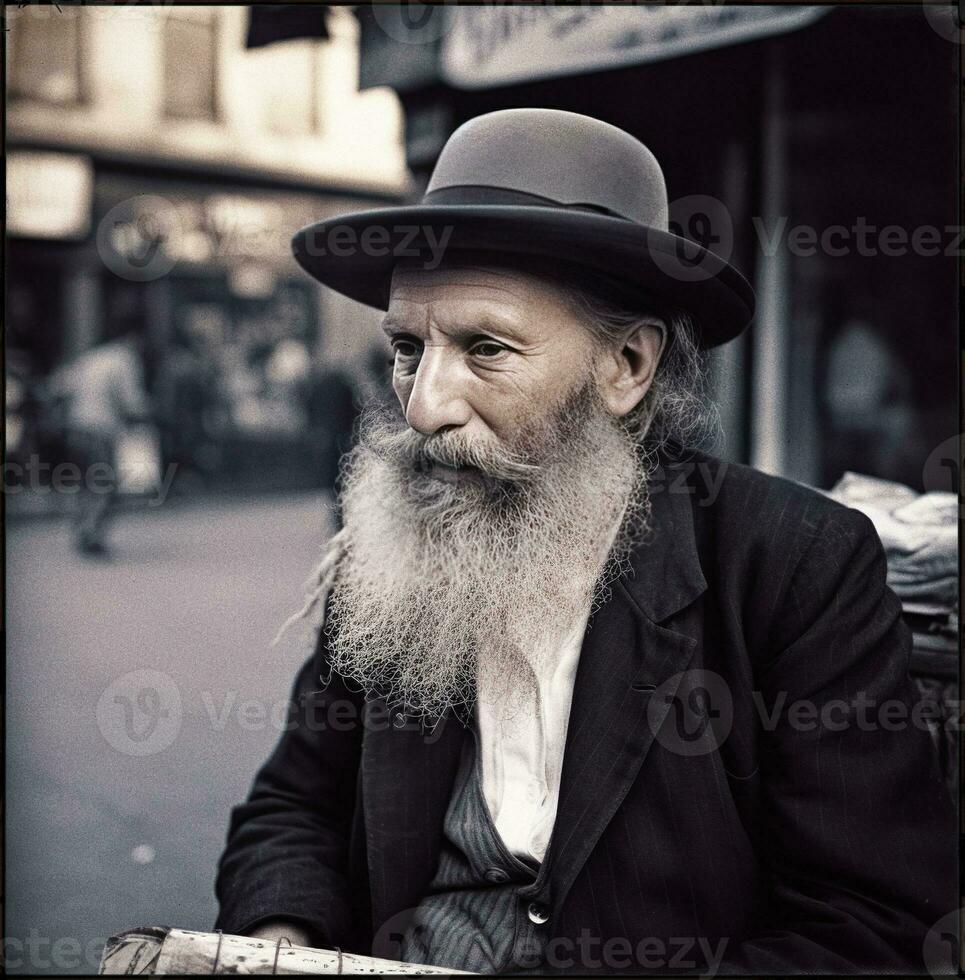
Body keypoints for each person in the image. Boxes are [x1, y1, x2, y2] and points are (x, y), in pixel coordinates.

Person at [214, 109, 955, 974]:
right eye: (407, 348)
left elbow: (867, 925)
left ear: (626, 368)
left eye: (486, 349)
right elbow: (292, 806)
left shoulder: (793, 563)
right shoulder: (387, 559)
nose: (422, 406)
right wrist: (281, 941)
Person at [59, 325, 151, 556]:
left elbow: (61, 387)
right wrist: (148, 413)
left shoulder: (92, 356)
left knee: (84, 483)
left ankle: (81, 530)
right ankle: (91, 534)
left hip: (76, 426)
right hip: (101, 429)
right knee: (105, 484)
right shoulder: (124, 359)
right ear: (133, 337)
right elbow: (131, 400)